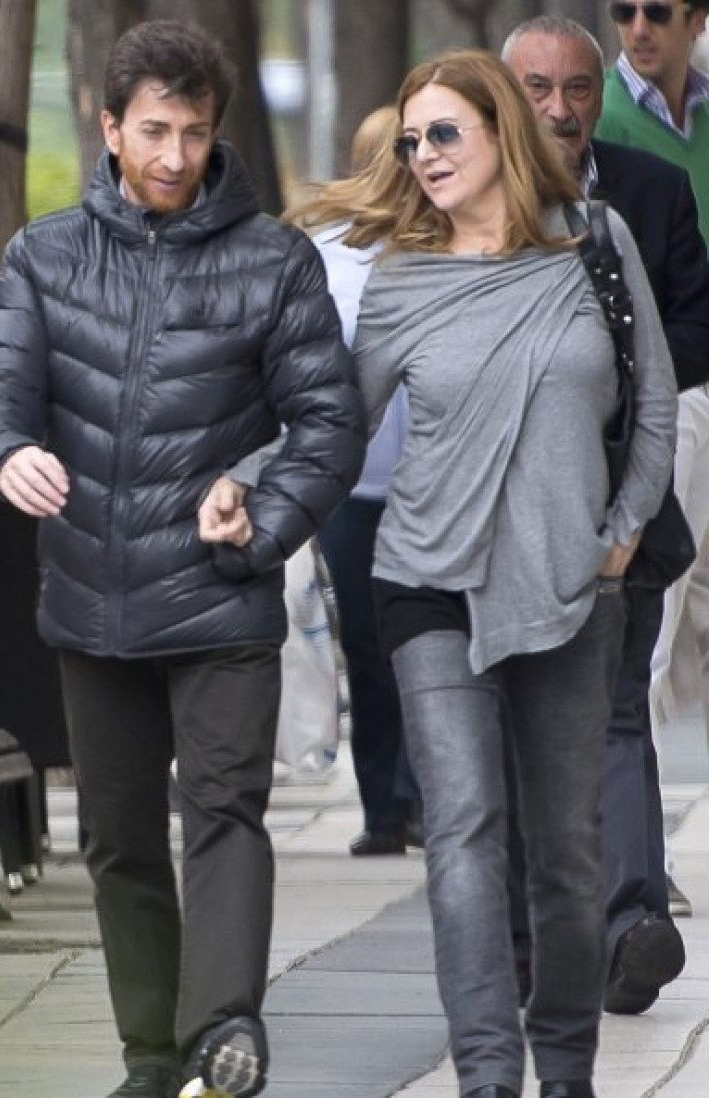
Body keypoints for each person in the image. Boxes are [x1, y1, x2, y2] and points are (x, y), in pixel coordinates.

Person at [0, 19, 365, 1098]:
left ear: (216, 130)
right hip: (93, 601)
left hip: (222, 598)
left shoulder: (272, 260)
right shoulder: (44, 255)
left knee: (222, 815)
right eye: (153, 131)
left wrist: (264, 512)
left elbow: (329, 423)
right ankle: (153, 1058)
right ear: (108, 127)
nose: (175, 156)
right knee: (118, 840)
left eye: (192, 131)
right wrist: (8, 452)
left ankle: (224, 1032)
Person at [293, 48, 676, 1098]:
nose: (420, 155)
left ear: (500, 130)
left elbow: (647, 403)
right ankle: (487, 1077)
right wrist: (244, 482)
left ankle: (562, 1070)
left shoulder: (597, 245)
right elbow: (335, 429)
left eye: (441, 134)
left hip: (568, 586)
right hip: (429, 580)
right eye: (411, 140)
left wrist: (622, 531)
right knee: (461, 833)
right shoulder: (402, 279)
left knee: (563, 855)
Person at [503, 14, 709, 1015]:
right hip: (497, 521)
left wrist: (612, 395)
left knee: (617, 711)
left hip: (622, 498)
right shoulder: (456, 198)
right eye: (535, 87)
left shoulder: (652, 192)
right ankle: (527, 939)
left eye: (574, 88)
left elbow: (694, 328)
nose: (557, 107)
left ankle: (632, 925)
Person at [596, 0, 709, 924]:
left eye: (659, 11)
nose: (639, 26)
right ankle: (640, 852)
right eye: (624, 9)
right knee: (653, 624)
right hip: (666, 404)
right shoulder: (590, 121)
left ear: (698, 19)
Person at [313, 106, 423, 856]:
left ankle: (429, 798)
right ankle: (385, 806)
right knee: (368, 647)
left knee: (429, 642)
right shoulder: (326, 255)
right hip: (354, 489)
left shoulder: (450, 245)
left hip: (437, 485)